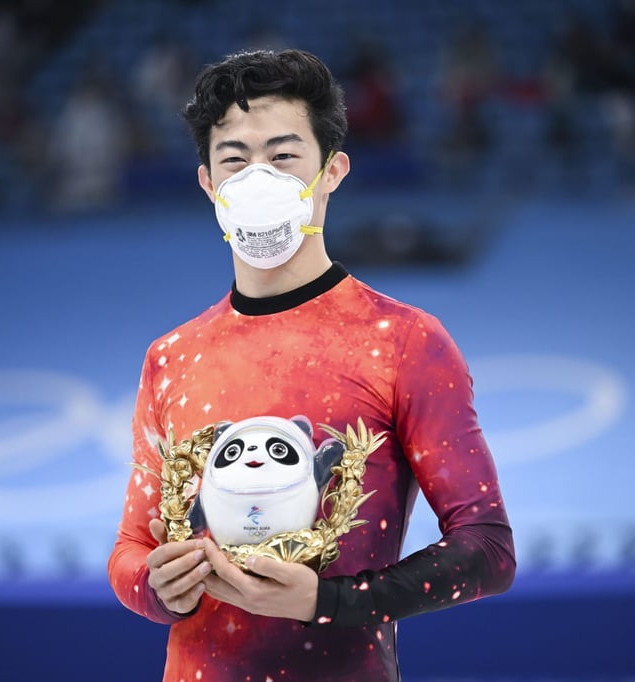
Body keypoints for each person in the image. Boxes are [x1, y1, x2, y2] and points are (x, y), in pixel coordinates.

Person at [108, 48, 515, 682]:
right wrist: (158, 587)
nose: (257, 176)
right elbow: (131, 552)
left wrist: (328, 603)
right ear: (208, 185)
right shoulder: (171, 356)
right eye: (235, 160)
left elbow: (488, 550)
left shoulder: (404, 341)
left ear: (331, 171)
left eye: (282, 155)